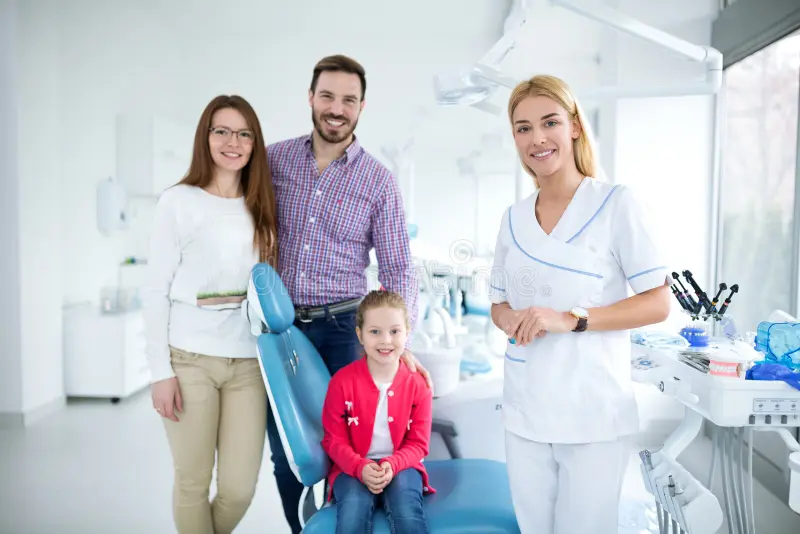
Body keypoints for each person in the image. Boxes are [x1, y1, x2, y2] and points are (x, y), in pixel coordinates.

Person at [488, 74, 671, 534]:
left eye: (549, 122)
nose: (537, 138)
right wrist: (510, 317)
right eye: (523, 128)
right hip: (525, 407)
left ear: (573, 126)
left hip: (592, 411)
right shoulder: (512, 219)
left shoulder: (615, 204)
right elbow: (498, 303)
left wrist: (572, 319)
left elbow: (658, 302)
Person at [265, 54, 431, 533]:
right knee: (289, 454)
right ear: (311, 98)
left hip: (345, 330)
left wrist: (402, 340)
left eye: (349, 100)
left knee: (352, 451)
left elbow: (398, 265)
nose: (336, 108)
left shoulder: (377, 179)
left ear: (361, 107)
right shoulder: (274, 160)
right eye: (328, 96)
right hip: (283, 331)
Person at [142, 95, 279, 534]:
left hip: (248, 364)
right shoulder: (178, 201)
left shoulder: (262, 203)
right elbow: (154, 290)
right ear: (206, 137)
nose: (232, 142)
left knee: (239, 488)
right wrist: (159, 371)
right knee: (192, 482)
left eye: (243, 133)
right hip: (189, 361)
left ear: (255, 143)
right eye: (221, 130)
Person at [321, 290, 433, 534]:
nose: (385, 340)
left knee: (407, 514)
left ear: (407, 332)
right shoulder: (341, 382)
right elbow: (333, 440)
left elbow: (419, 444)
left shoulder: (418, 385)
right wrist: (359, 467)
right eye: (375, 332)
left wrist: (393, 464)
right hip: (351, 467)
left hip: (403, 465)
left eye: (394, 331)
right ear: (360, 335)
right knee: (352, 514)